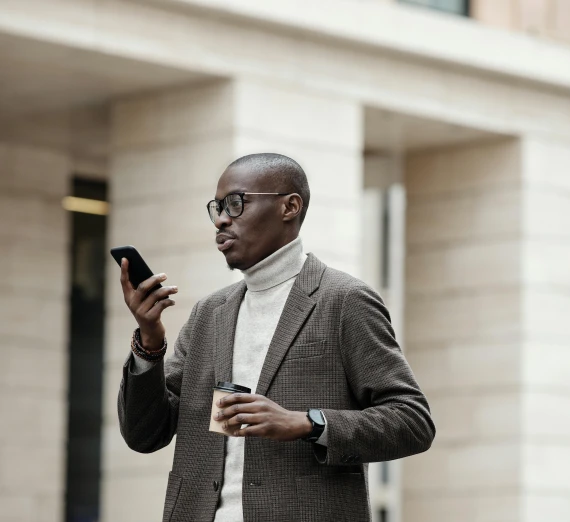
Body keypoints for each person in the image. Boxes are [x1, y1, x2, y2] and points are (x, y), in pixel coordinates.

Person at [116, 153, 435, 522]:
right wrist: (150, 342)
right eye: (217, 207)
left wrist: (307, 423)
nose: (221, 219)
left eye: (236, 203)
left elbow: (412, 421)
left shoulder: (343, 300)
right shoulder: (210, 313)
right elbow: (144, 434)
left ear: (289, 206)